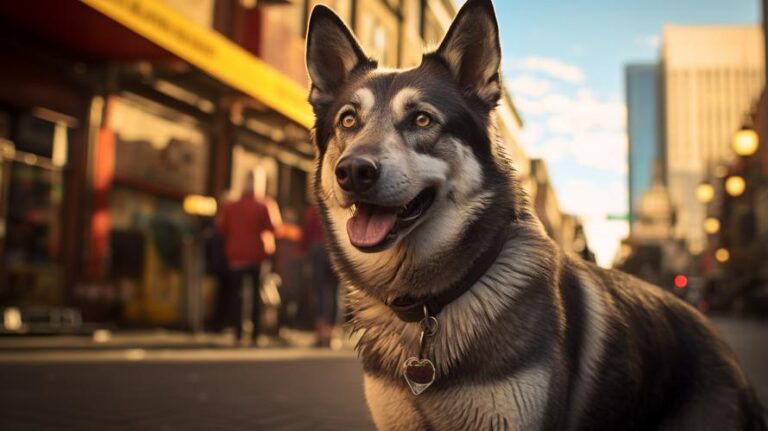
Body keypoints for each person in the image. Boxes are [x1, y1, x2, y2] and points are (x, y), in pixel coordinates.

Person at [217, 171, 274, 344]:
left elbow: (221, 229)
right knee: (256, 294)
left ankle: (238, 332)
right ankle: (255, 334)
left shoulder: (230, 206)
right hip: (257, 254)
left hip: (235, 254)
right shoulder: (264, 205)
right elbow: (272, 227)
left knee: (237, 295)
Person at [300, 205, 338, 348]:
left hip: (318, 250)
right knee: (335, 293)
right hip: (336, 250)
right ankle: (332, 334)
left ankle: (320, 332)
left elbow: (307, 232)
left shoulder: (313, 210)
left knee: (318, 291)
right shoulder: (340, 208)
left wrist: (302, 251)